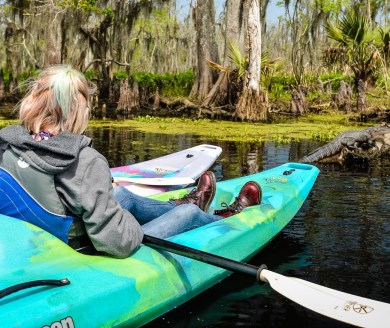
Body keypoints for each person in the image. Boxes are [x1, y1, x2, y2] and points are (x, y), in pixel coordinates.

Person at [0, 65, 262, 258]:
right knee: (187, 215)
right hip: (79, 248)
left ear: (33, 100)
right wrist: (129, 224)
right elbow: (116, 243)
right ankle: (228, 221)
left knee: (124, 194)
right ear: (79, 111)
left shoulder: (7, 144)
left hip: (40, 236)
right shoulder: (86, 162)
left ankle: (187, 201)